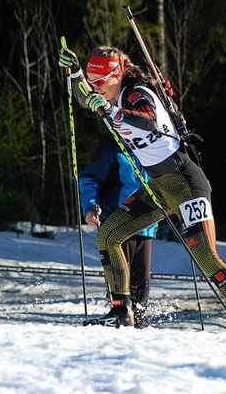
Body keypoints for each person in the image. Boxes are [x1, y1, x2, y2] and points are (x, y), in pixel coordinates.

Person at [59, 44, 226, 335]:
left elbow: (145, 120)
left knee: (206, 256)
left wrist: (112, 110)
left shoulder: (137, 94)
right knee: (108, 234)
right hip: (157, 186)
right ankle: (121, 311)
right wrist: (75, 73)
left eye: (100, 82)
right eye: (93, 83)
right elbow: (86, 99)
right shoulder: (111, 95)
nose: (96, 89)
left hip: (185, 182)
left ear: (117, 74)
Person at [79, 133, 158, 329]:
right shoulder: (111, 144)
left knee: (141, 288)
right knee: (122, 283)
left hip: (146, 224)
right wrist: (90, 206)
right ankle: (120, 317)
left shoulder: (152, 142)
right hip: (117, 222)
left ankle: (138, 325)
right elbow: (90, 178)